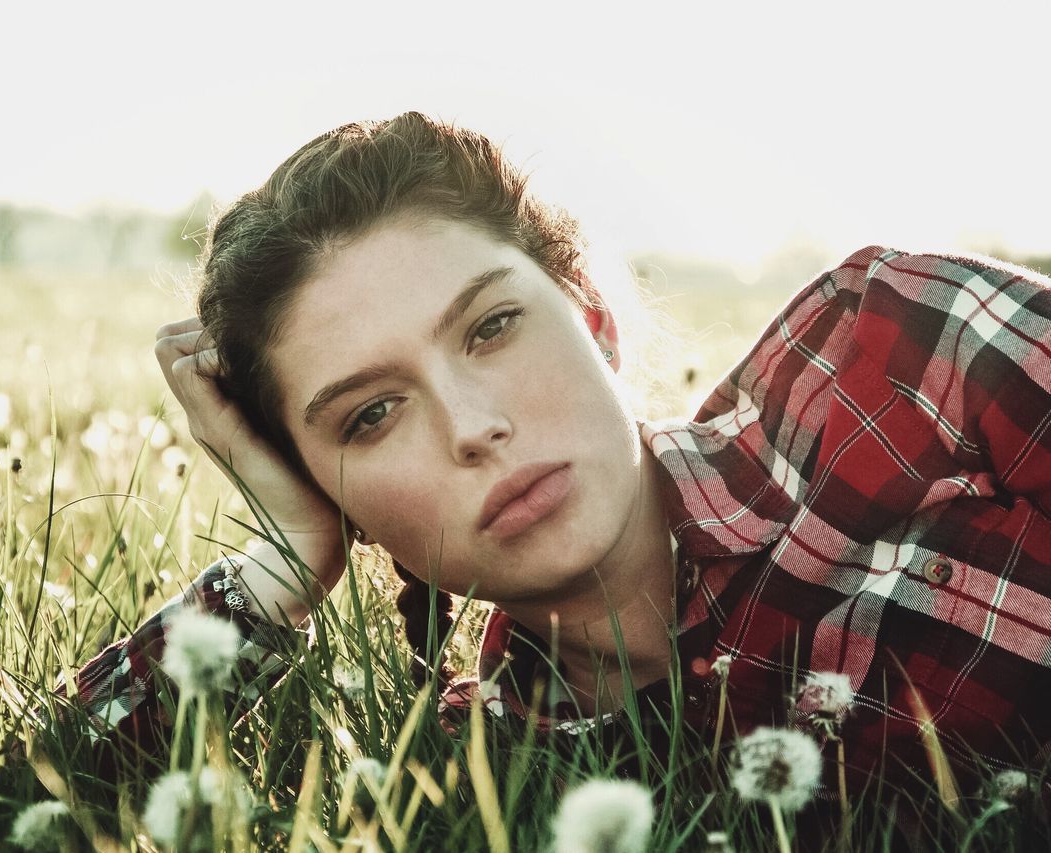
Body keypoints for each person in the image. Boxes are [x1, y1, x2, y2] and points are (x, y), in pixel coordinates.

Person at [55, 112, 1051, 817]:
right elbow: (43, 798)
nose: (472, 426)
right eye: (371, 415)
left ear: (596, 320)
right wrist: (280, 567)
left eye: (491, 326)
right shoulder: (474, 768)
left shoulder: (895, 348)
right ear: (327, 486)